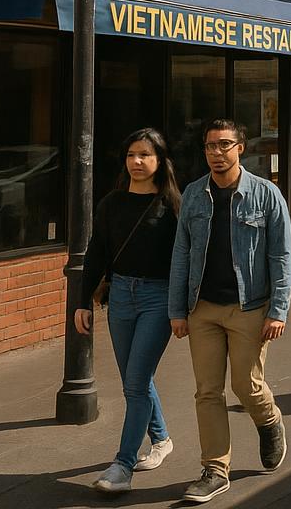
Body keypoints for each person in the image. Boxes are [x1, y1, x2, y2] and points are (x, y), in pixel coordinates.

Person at [169, 119, 291, 504]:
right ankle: (215, 468)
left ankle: (269, 421)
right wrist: (177, 309)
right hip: (202, 308)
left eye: (224, 145)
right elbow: (182, 253)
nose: (216, 153)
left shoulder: (266, 195)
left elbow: (282, 255)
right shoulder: (193, 194)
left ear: (241, 148)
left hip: (249, 307)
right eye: (210, 146)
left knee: (246, 385)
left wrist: (278, 310)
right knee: (207, 391)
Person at [77, 128, 181, 494]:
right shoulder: (112, 204)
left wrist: (181, 308)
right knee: (135, 381)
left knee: (136, 383)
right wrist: (81, 301)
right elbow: (96, 254)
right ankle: (162, 438)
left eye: (145, 155)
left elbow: (183, 261)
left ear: (159, 161)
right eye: (131, 155)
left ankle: (122, 466)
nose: (137, 162)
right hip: (120, 296)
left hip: (158, 298)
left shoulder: (172, 207)